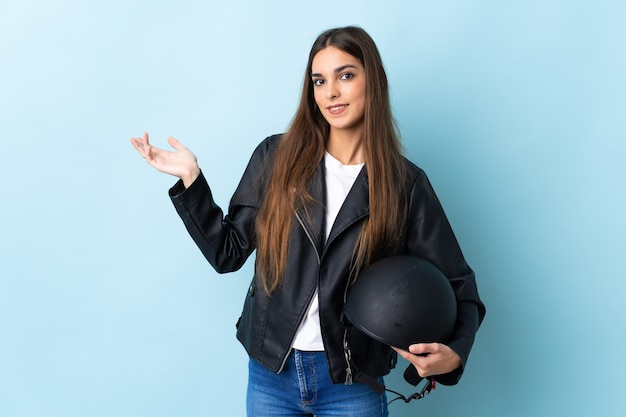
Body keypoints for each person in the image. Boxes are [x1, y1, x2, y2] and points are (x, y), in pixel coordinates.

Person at [131, 26, 485, 417]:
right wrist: (191, 182)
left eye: (345, 75)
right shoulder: (275, 157)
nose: (331, 92)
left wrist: (454, 355)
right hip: (271, 374)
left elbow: (460, 286)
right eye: (319, 80)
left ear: (374, 82)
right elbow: (226, 253)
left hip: (352, 382)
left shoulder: (404, 185)